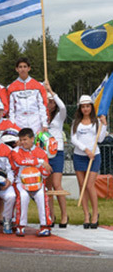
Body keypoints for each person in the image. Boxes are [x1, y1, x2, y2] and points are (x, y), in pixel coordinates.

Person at [71, 95, 107, 229]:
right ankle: (86, 215)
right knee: (82, 186)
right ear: (80, 108)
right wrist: (85, 150)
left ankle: (95, 215)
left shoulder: (96, 122)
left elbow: (101, 139)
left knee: (90, 185)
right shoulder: (76, 122)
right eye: (83, 106)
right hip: (80, 156)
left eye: (88, 106)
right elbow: (73, 139)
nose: (85, 109)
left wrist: (104, 125)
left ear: (91, 107)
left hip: (94, 156)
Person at [11, 128, 53, 237]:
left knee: (41, 196)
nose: (23, 142)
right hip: (21, 182)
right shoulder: (15, 151)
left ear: (32, 139)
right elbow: (20, 162)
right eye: (21, 140)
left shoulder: (42, 152)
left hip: (37, 182)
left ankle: (45, 226)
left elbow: (46, 172)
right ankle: (20, 226)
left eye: (25, 139)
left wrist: (43, 171)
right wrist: (39, 162)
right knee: (23, 196)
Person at [44, 82, 68, 228]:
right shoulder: (41, 116)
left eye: (52, 101)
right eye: (48, 101)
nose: (50, 104)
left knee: (57, 185)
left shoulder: (59, 116)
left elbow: (64, 107)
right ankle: (51, 215)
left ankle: (64, 214)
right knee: (48, 188)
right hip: (45, 153)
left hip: (57, 151)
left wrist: (52, 92)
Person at [7, 57, 48, 133]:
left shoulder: (38, 85)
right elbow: (11, 110)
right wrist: (12, 125)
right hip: (19, 121)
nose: (23, 69)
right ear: (17, 69)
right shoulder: (11, 87)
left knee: (36, 143)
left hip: (35, 121)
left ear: (29, 68)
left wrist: (44, 123)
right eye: (20, 67)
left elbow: (42, 106)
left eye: (25, 67)